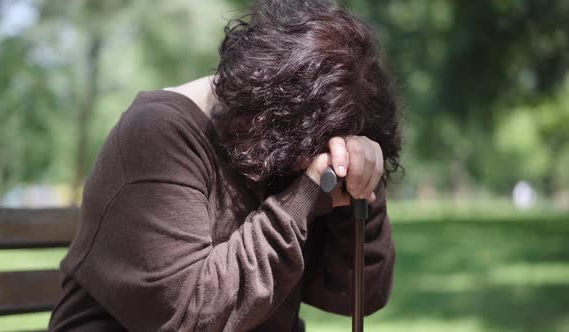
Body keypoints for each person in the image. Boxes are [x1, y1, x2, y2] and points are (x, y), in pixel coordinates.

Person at [48, 0, 401, 331]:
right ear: (268, 112)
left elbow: (357, 294)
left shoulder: (287, 142)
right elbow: (189, 315)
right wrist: (304, 196)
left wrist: (357, 185)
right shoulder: (156, 135)